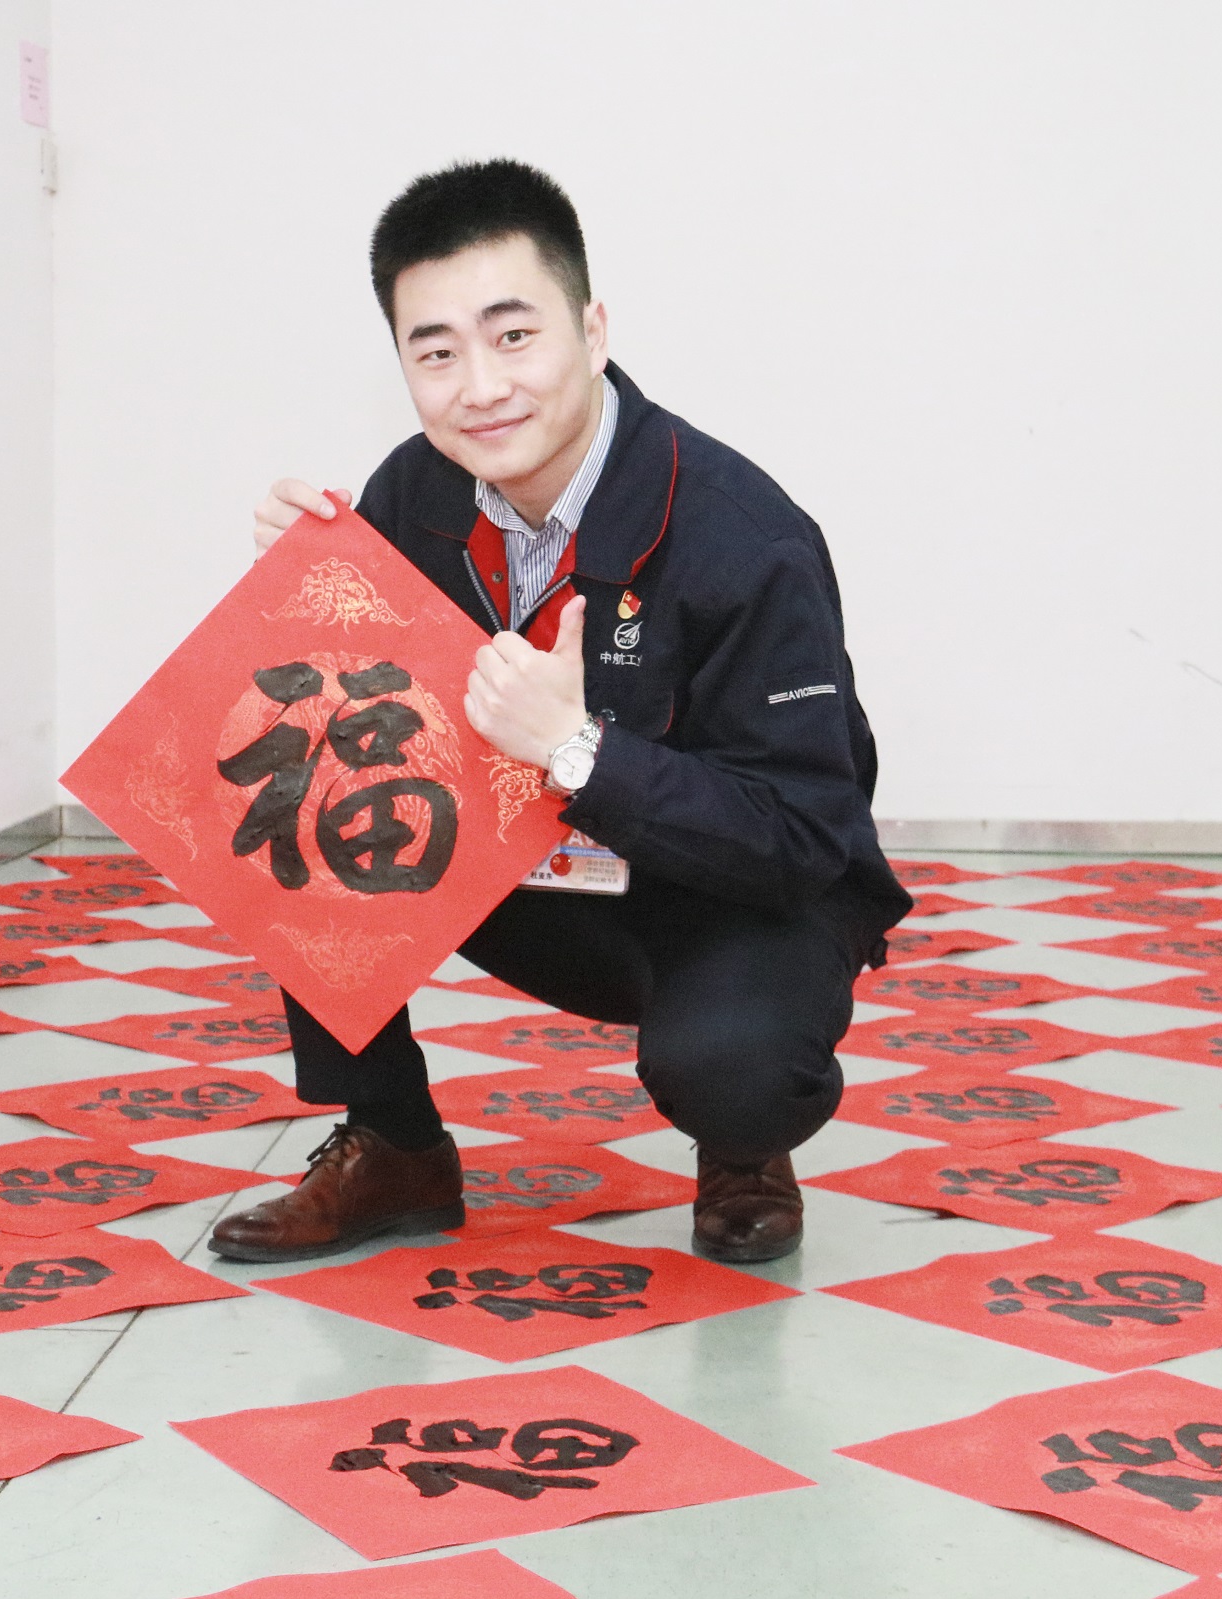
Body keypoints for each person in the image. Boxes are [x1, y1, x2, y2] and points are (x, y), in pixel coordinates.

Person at [209, 159, 909, 1266]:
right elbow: (359, 714)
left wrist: (579, 750)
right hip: (537, 878)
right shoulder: (413, 493)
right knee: (291, 791)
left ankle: (744, 1145)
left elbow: (806, 838)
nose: (481, 386)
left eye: (513, 335)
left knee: (733, 1064)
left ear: (590, 329)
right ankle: (394, 1144)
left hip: (732, 895)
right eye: (436, 353)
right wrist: (309, 589)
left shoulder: (746, 536)